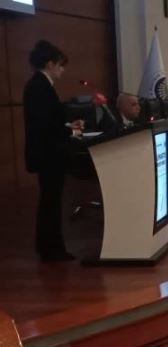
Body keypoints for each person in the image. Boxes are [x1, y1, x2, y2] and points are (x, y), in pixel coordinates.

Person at [23, 40, 83, 262]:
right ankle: (51, 250)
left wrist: (67, 127)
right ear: (50, 64)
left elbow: (48, 121)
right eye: (60, 65)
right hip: (48, 154)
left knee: (52, 201)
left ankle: (51, 247)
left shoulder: (40, 85)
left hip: (49, 152)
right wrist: (71, 133)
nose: (62, 69)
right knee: (50, 202)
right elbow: (44, 126)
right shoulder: (39, 87)